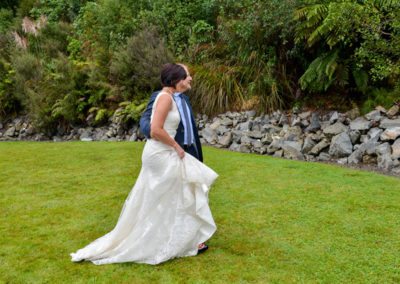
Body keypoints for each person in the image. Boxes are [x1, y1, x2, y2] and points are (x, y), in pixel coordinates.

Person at [70, 63, 218, 265]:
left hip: (166, 152)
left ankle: (179, 237)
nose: (190, 79)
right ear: (176, 80)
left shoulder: (175, 97)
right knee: (176, 194)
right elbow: (155, 129)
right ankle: (161, 239)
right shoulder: (165, 97)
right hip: (162, 154)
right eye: (187, 76)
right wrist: (176, 146)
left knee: (175, 195)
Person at [139, 64, 203, 162]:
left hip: (191, 149)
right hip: (172, 150)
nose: (190, 78)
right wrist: (154, 134)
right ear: (176, 78)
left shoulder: (185, 99)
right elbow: (146, 120)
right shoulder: (163, 97)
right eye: (186, 76)